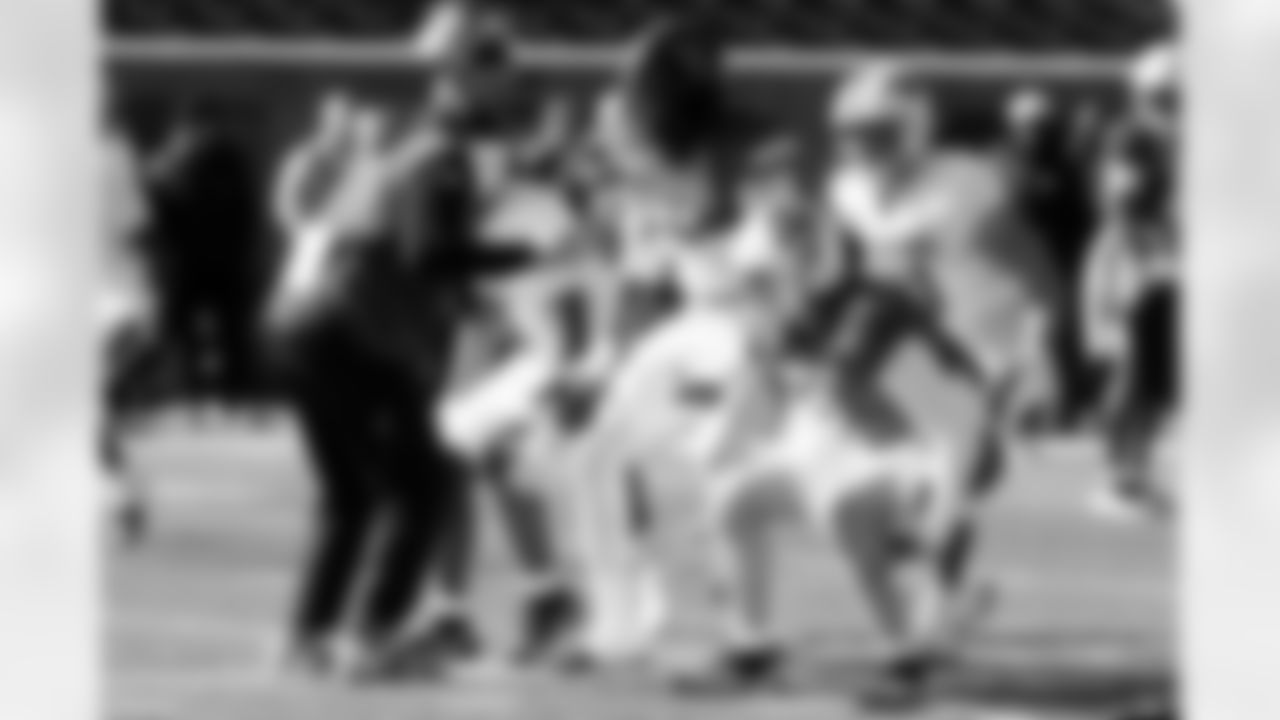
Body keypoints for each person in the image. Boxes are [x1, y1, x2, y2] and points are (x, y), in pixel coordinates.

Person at [677, 63, 1002, 694]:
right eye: (852, 134)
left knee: (857, 508)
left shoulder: (947, 208)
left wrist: (934, 492)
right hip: (850, 408)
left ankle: (911, 649)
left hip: (924, 408)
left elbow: (939, 386)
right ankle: (754, 646)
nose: (862, 147)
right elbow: (783, 347)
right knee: (737, 502)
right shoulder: (824, 238)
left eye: (879, 132)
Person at [1083, 42, 1179, 521]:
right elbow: (1121, 207)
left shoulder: (1181, 136)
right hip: (1129, 268)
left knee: (1161, 383)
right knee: (1130, 374)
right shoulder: (1133, 138)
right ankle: (1114, 476)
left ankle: (1139, 474)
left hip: (1169, 268)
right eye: (1168, 94)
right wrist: (1143, 258)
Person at [100, 113, 157, 543]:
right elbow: (138, 228)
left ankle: (124, 496)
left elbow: (135, 227)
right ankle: (124, 496)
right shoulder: (114, 152)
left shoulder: (111, 154)